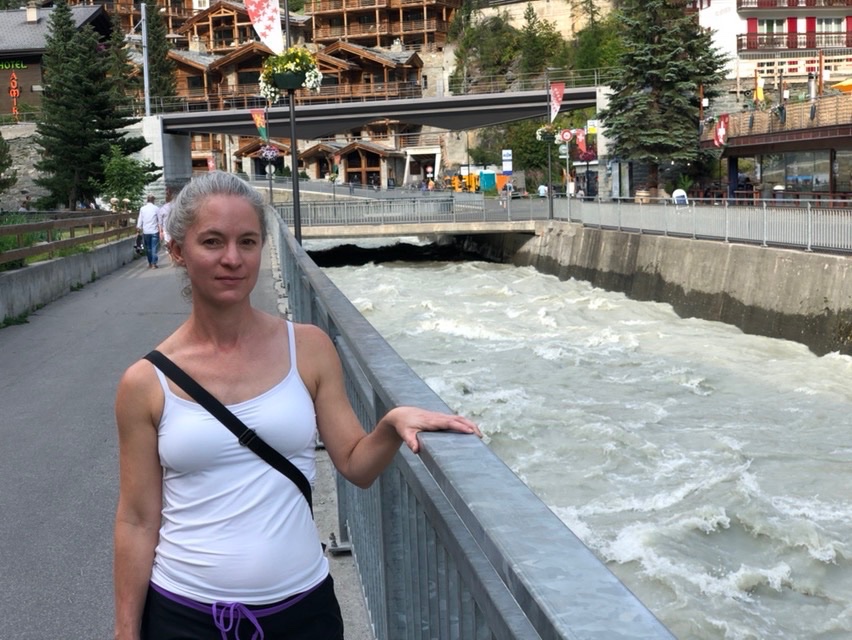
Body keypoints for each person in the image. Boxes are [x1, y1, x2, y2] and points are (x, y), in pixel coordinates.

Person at [113, 171, 481, 640]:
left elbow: (355, 464)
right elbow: (137, 519)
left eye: (247, 242)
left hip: (303, 612)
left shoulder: (307, 348)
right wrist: (126, 631)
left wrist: (389, 425)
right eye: (212, 242)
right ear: (178, 250)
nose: (232, 258)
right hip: (184, 615)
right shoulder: (145, 383)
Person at [136, 195, 161, 269]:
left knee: (148, 248)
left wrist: (138, 229)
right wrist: (161, 230)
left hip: (146, 231)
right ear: (153, 200)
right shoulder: (156, 208)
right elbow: (159, 220)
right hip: (154, 231)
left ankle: (150, 263)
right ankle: (154, 263)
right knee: (154, 247)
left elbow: (140, 219)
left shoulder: (142, 209)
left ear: (147, 200)